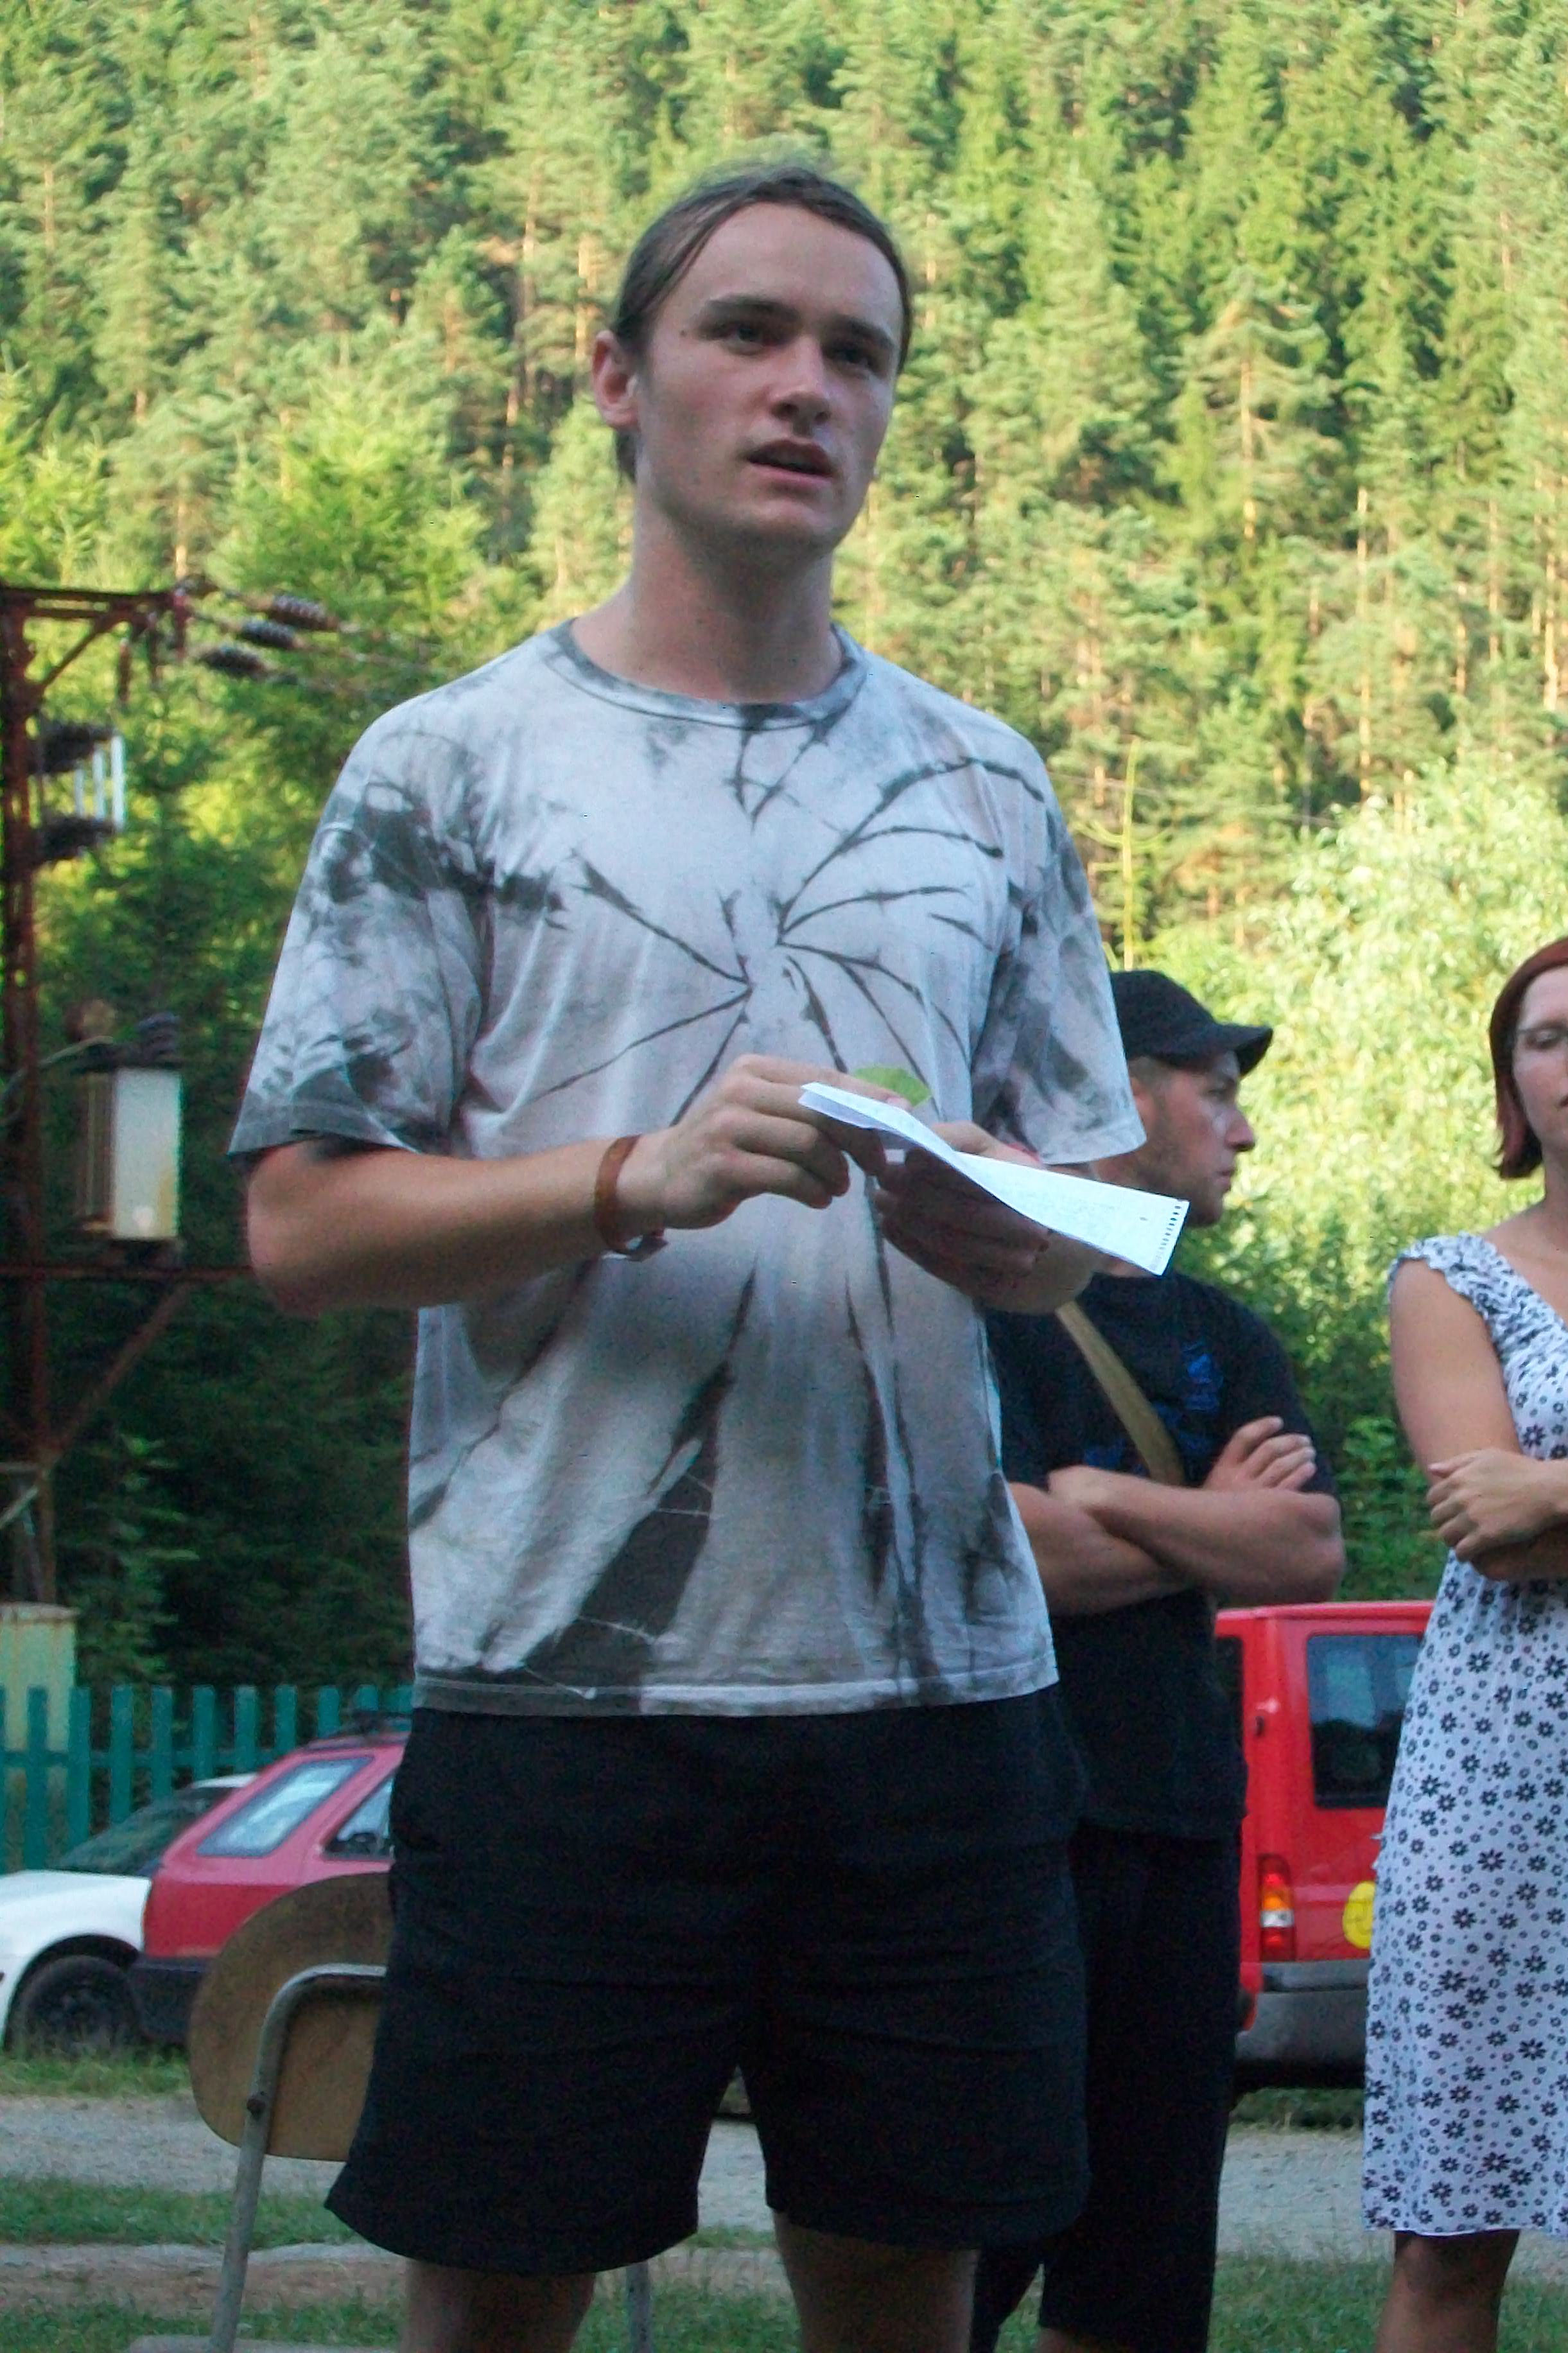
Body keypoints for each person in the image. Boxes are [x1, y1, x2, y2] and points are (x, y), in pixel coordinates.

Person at [233, 162, 1146, 2353]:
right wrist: (626, 1176)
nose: (805, 387)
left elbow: (1095, 1214)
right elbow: (300, 1225)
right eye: (749, 333)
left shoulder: (986, 785)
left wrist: (1007, 1230)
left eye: (858, 353)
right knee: (501, 2298)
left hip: (941, 1695)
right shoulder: (449, 767)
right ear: (616, 380)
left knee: (909, 2294)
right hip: (566, 1689)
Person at [969, 968, 1345, 2353]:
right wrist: (1207, 1522)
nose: (1241, 1130)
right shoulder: (985, 1307)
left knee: (1142, 2260)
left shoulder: (1225, 1332)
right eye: (1216, 1092)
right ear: (1116, 1094)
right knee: (970, 2234)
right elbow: (1013, 1551)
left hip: (1186, 1821)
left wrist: (1107, 1495)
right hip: (1017, 1821)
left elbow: (1304, 1551)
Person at [1364, 936, 1568, 2353]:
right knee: (1451, 2230)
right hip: (1498, 1798)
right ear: (1512, 1088)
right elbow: (1489, 1528)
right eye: (1546, 1037)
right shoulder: (1447, 1279)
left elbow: (1530, 1504)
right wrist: (1530, 1509)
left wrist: (1553, 1488)